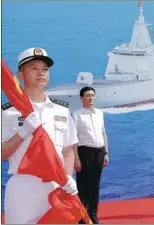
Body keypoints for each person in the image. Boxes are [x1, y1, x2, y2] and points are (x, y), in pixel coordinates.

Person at [1, 47, 78, 223]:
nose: (41, 73)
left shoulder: (62, 110)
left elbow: (68, 150)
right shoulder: (7, 113)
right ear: (21, 75)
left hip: (56, 187)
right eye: (34, 68)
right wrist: (22, 133)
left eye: (44, 69)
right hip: (23, 189)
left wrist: (67, 177)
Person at [73, 86, 109, 224]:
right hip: (84, 152)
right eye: (87, 95)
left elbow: (103, 133)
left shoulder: (99, 113)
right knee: (83, 187)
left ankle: (93, 215)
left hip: (99, 152)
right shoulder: (76, 114)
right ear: (82, 98)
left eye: (93, 95)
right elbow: (74, 138)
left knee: (95, 185)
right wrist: (76, 158)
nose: (91, 98)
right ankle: (82, 218)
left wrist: (106, 152)